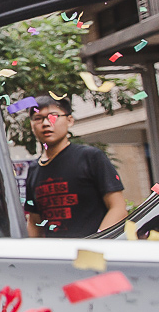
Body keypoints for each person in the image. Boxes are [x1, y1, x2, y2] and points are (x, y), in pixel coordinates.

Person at [24, 97, 127, 237]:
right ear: (32, 125)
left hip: (92, 254)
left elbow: (118, 208)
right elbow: (34, 222)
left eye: (53, 117)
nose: (46, 123)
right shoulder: (34, 169)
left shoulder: (90, 157)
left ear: (70, 120)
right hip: (56, 256)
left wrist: (95, 242)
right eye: (38, 118)